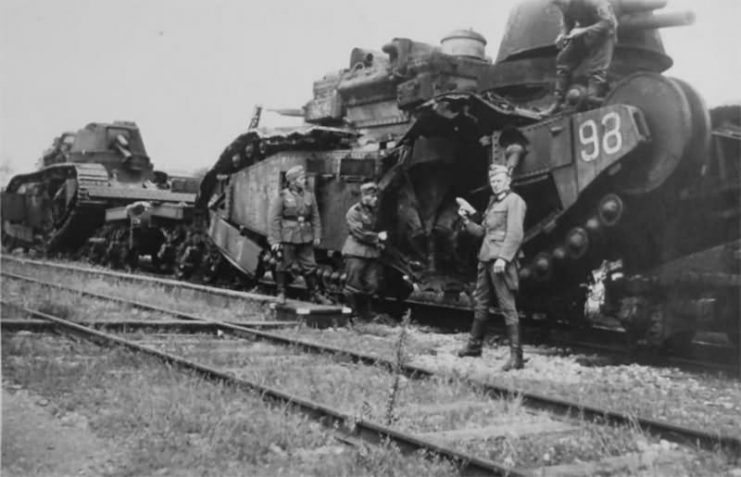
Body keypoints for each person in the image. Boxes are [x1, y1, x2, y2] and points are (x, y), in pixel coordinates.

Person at [457, 164, 527, 371]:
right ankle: (474, 346)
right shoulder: (493, 203)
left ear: (508, 181)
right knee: (481, 303)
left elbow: (515, 234)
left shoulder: (515, 201)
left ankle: (517, 357)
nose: (495, 184)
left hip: (499, 262)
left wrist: (504, 258)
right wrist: (466, 221)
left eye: (499, 180)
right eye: (493, 181)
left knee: (507, 306)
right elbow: (482, 233)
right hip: (486, 258)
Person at [268, 165, 329, 305]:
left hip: (306, 236)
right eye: (302, 178)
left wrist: (317, 235)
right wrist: (275, 240)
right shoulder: (283, 196)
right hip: (288, 236)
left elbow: (315, 217)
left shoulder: (309, 196)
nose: (305, 181)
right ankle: (281, 293)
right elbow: (274, 219)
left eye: (304, 178)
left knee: (310, 265)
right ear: (293, 181)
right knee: (283, 264)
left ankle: (315, 294)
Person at [544, 0, 618, 114]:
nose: (561, 7)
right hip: (583, 35)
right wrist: (563, 34)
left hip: (604, 36)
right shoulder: (566, 6)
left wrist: (583, 30)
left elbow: (609, 22)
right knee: (564, 59)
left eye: (561, 3)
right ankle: (557, 102)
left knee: (597, 72)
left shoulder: (593, 2)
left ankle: (591, 103)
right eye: (557, 5)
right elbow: (568, 22)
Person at [341, 181, 388, 321]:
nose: (376, 200)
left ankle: (365, 313)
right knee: (353, 285)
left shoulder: (375, 213)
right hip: (355, 252)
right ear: (365, 197)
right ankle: (352, 314)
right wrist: (377, 237)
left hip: (372, 253)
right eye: (373, 197)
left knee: (372, 284)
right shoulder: (354, 212)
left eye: (377, 197)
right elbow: (358, 232)